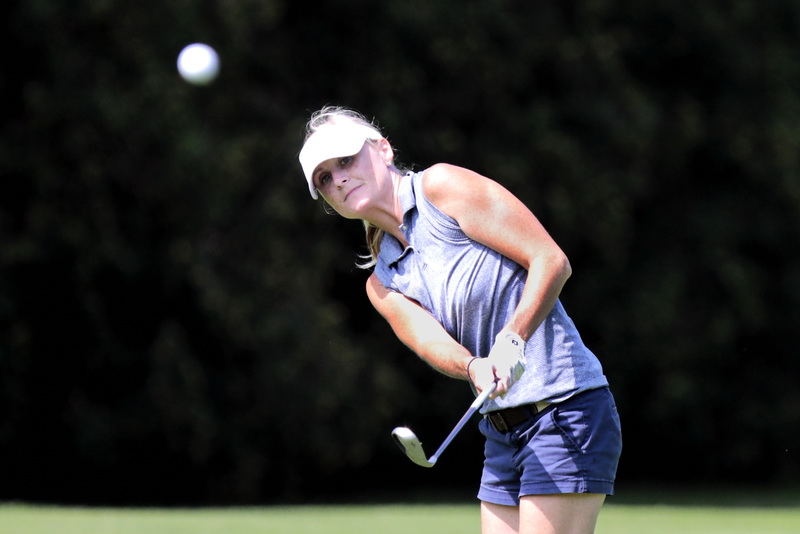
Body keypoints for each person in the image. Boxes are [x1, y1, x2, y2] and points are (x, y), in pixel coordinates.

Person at [298, 105, 622, 534]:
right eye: (324, 178)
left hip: (563, 409)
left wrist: (513, 337)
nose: (338, 178)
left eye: (345, 160)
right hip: (502, 430)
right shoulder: (381, 283)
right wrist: (473, 365)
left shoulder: (442, 187)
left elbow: (550, 260)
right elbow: (432, 343)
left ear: (384, 149)